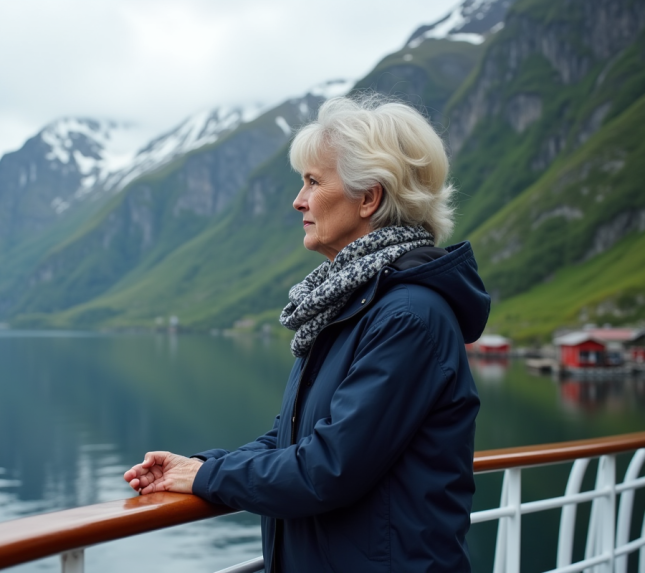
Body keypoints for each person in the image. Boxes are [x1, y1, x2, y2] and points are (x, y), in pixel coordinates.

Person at [124, 95, 490, 572]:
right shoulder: (350, 303)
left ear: (369, 197)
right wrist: (194, 465)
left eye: (313, 182)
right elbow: (290, 439)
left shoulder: (406, 315)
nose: (298, 200)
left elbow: (327, 468)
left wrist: (208, 475)